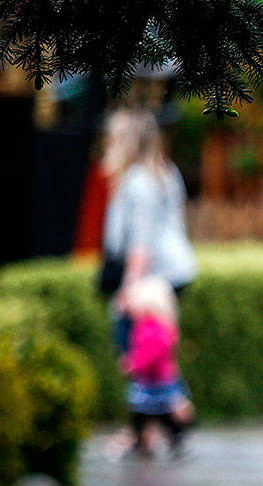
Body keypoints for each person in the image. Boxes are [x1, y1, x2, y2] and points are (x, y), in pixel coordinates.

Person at [99, 109, 197, 355]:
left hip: (151, 278)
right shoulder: (165, 171)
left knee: (140, 353)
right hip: (170, 272)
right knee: (156, 352)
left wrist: (129, 289)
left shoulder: (139, 182)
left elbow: (141, 242)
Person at [120, 274, 192, 459]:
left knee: (149, 414)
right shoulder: (153, 325)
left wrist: (134, 364)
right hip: (155, 379)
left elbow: (151, 353)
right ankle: (158, 441)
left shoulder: (151, 327)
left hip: (155, 380)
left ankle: (168, 441)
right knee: (152, 414)